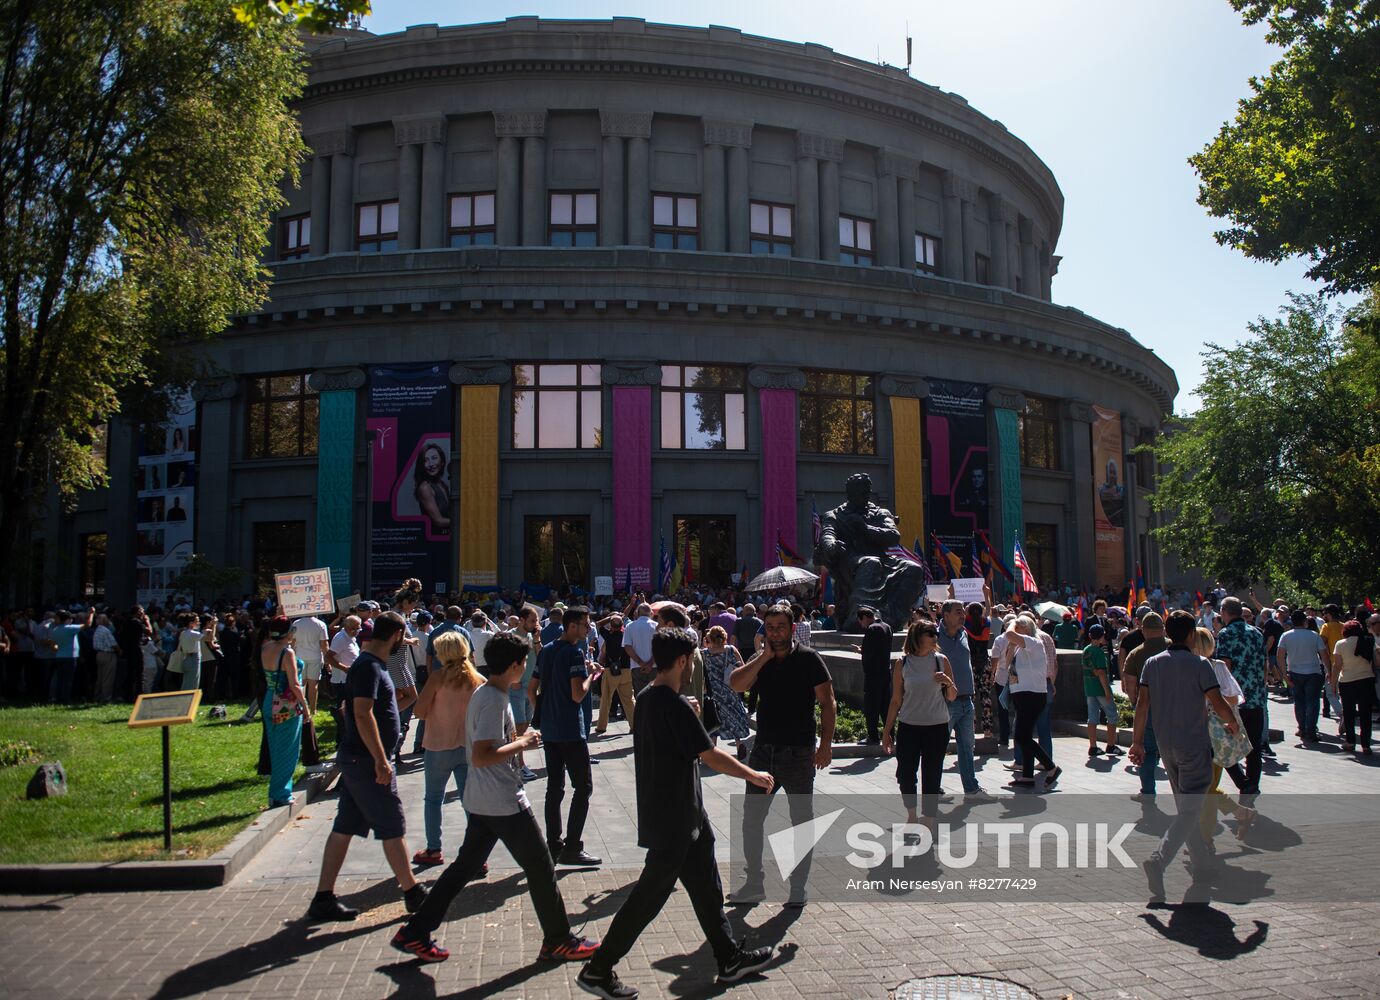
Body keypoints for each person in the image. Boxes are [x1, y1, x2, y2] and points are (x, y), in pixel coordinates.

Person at [575, 627, 776, 1000]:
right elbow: (710, 754)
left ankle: (729, 956)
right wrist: (753, 774)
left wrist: (691, 713)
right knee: (649, 897)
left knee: (706, 888)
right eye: (692, 660)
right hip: (675, 818)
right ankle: (598, 970)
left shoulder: (651, 697)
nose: (692, 666)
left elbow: (679, 741)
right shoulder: (673, 703)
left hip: (683, 813)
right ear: (683, 660)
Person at [391, 631, 600, 966]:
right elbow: (482, 754)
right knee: (541, 866)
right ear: (516, 665)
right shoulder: (491, 699)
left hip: (483, 799)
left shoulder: (487, 692)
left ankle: (415, 931)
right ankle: (559, 940)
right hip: (501, 799)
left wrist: (518, 740)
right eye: (524, 662)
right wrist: (523, 743)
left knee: (464, 867)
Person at [307, 611, 427, 923]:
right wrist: (380, 758)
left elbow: (361, 709)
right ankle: (413, 893)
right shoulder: (370, 666)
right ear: (397, 636)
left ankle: (323, 898)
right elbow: (361, 713)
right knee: (392, 824)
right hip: (367, 762)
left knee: (345, 827)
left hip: (359, 760)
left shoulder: (369, 665)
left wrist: (391, 714)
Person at [728, 605, 835, 907]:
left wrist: (825, 745)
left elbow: (828, 703)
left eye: (780, 626)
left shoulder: (808, 658)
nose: (775, 632)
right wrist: (762, 657)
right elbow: (736, 684)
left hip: (799, 753)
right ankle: (754, 883)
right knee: (752, 820)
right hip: (764, 753)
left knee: (801, 821)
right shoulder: (760, 660)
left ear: (791, 628)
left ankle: (798, 888)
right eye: (770, 627)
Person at [1130, 611, 1240, 901]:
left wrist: (1138, 742)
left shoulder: (1152, 664)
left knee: (1186, 808)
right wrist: (1233, 724)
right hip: (1194, 744)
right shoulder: (1201, 664)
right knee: (1191, 810)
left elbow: (1142, 706)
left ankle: (1202, 866)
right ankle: (1158, 859)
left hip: (1166, 746)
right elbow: (1217, 701)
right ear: (1191, 635)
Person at [531, 606, 604, 866]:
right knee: (583, 787)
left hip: (550, 729)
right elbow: (577, 694)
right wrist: (592, 676)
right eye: (585, 625)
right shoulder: (575, 652)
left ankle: (553, 844)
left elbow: (532, 687)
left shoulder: (548, 649)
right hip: (571, 730)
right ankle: (573, 847)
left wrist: (544, 709)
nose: (588, 630)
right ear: (572, 625)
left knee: (554, 788)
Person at [412, 629, 485, 866]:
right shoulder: (479, 681)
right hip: (468, 747)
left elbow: (419, 712)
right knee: (470, 801)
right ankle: (477, 853)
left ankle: (434, 849)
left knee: (433, 799)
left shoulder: (437, 679)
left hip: (437, 745)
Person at [882, 619, 958, 829]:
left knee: (932, 774)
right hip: (909, 725)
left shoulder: (941, 661)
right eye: (930, 633)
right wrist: (886, 731)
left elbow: (952, 696)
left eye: (935, 633)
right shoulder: (903, 663)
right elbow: (896, 699)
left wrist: (948, 683)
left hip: (937, 726)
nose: (935, 637)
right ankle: (912, 815)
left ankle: (929, 820)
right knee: (905, 774)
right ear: (917, 636)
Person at [936, 599, 993, 798]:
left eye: (963, 612)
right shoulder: (934, 637)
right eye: (958, 612)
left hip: (967, 701)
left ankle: (971, 788)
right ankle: (933, 788)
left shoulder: (963, 634)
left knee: (967, 747)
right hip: (945, 702)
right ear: (946, 615)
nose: (963, 615)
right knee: (937, 747)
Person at [1213, 597, 1267, 797]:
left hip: (1234, 701)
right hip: (1256, 697)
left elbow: (1224, 666)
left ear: (1226, 612)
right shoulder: (1257, 633)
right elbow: (1264, 664)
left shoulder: (1226, 634)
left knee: (1225, 744)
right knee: (1254, 745)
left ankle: (1242, 781)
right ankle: (1253, 784)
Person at [998, 616, 1060, 788]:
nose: (1015, 629)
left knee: (1022, 736)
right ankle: (1027, 776)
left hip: (1032, 695)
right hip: (1021, 694)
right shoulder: (1020, 646)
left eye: (1019, 627)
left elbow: (1009, 634)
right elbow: (1006, 662)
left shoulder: (1034, 642)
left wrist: (1011, 624)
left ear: (1027, 628)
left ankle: (1051, 767)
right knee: (1023, 735)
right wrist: (1011, 645)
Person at [258, 616, 305, 807]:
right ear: (289, 632)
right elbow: (294, 684)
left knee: (275, 746)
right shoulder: (287, 653)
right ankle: (281, 793)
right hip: (286, 704)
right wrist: (306, 706)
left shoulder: (266, 647)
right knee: (287, 750)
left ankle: (276, 791)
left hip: (269, 699)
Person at [1122, 612, 1169, 798]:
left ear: (1143, 630)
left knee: (1148, 752)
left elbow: (1130, 688)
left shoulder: (1136, 654)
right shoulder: (1176, 647)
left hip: (1148, 709)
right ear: (1163, 628)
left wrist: (1136, 705)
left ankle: (1147, 790)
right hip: (1175, 709)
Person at [1278, 609, 1327, 742]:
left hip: (1294, 672)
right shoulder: (1314, 635)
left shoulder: (1286, 636)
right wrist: (1328, 671)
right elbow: (1324, 655)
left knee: (1299, 702)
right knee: (1313, 702)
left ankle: (1302, 728)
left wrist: (1284, 675)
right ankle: (1311, 729)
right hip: (1313, 672)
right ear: (1305, 622)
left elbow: (1280, 656)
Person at [702, 625, 750, 752]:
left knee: (714, 718)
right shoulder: (731, 650)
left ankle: (713, 748)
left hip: (713, 691)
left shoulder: (704, 653)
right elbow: (742, 666)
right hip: (730, 688)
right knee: (735, 716)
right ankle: (739, 744)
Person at [851, 606, 892, 745]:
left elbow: (870, 653)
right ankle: (890, 735)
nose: (861, 624)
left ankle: (873, 736)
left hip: (873, 675)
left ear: (864, 617)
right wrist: (863, 650)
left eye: (860, 621)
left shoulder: (872, 629)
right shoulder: (887, 627)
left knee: (872, 707)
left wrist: (862, 652)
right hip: (886, 672)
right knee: (885, 706)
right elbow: (879, 649)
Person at [1332, 620, 1375, 754]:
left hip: (1347, 681)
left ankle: (1350, 741)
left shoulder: (1340, 644)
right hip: (1366, 679)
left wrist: (1333, 683)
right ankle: (1366, 744)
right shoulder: (1368, 641)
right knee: (1365, 713)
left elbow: (1337, 665)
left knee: (1349, 712)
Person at [512, 604, 542, 781]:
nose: (534, 623)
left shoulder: (532, 636)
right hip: (517, 687)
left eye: (536, 620)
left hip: (530, 686)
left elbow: (541, 655)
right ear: (521, 620)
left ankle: (517, 761)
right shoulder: (512, 637)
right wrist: (513, 681)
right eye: (532, 621)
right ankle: (519, 764)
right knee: (519, 726)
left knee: (524, 725)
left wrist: (537, 639)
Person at [1082, 623, 1120, 757]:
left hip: (1089, 688)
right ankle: (1111, 745)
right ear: (1102, 636)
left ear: (1089, 636)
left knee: (1092, 717)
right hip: (1100, 688)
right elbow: (1101, 673)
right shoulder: (1099, 652)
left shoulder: (1086, 650)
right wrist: (1107, 691)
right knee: (1112, 716)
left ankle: (1093, 747)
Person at [595, 612, 635, 734]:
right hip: (626, 670)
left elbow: (598, 624)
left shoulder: (608, 635)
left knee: (606, 698)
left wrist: (611, 617)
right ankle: (634, 725)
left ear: (611, 626)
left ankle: (601, 726)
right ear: (622, 625)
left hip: (610, 670)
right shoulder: (626, 635)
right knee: (628, 699)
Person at [291, 613, 330, 716]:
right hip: (315, 657)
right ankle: (313, 710)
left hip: (299, 657)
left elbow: (292, 642)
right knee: (313, 685)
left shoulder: (296, 623)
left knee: (301, 684)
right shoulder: (320, 624)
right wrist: (328, 660)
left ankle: (301, 709)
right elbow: (324, 644)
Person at [414, 441, 451, 535]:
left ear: (442, 462)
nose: (430, 464)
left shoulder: (442, 484)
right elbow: (439, 521)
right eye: (425, 460)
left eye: (434, 458)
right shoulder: (425, 488)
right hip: (436, 540)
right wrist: (462, 522)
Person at [91, 613, 120, 703]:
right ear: (104, 621)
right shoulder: (106, 631)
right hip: (108, 655)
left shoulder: (97, 630)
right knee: (108, 678)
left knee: (100, 677)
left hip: (99, 654)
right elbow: (113, 644)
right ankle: (106, 698)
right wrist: (119, 651)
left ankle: (97, 696)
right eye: (107, 619)